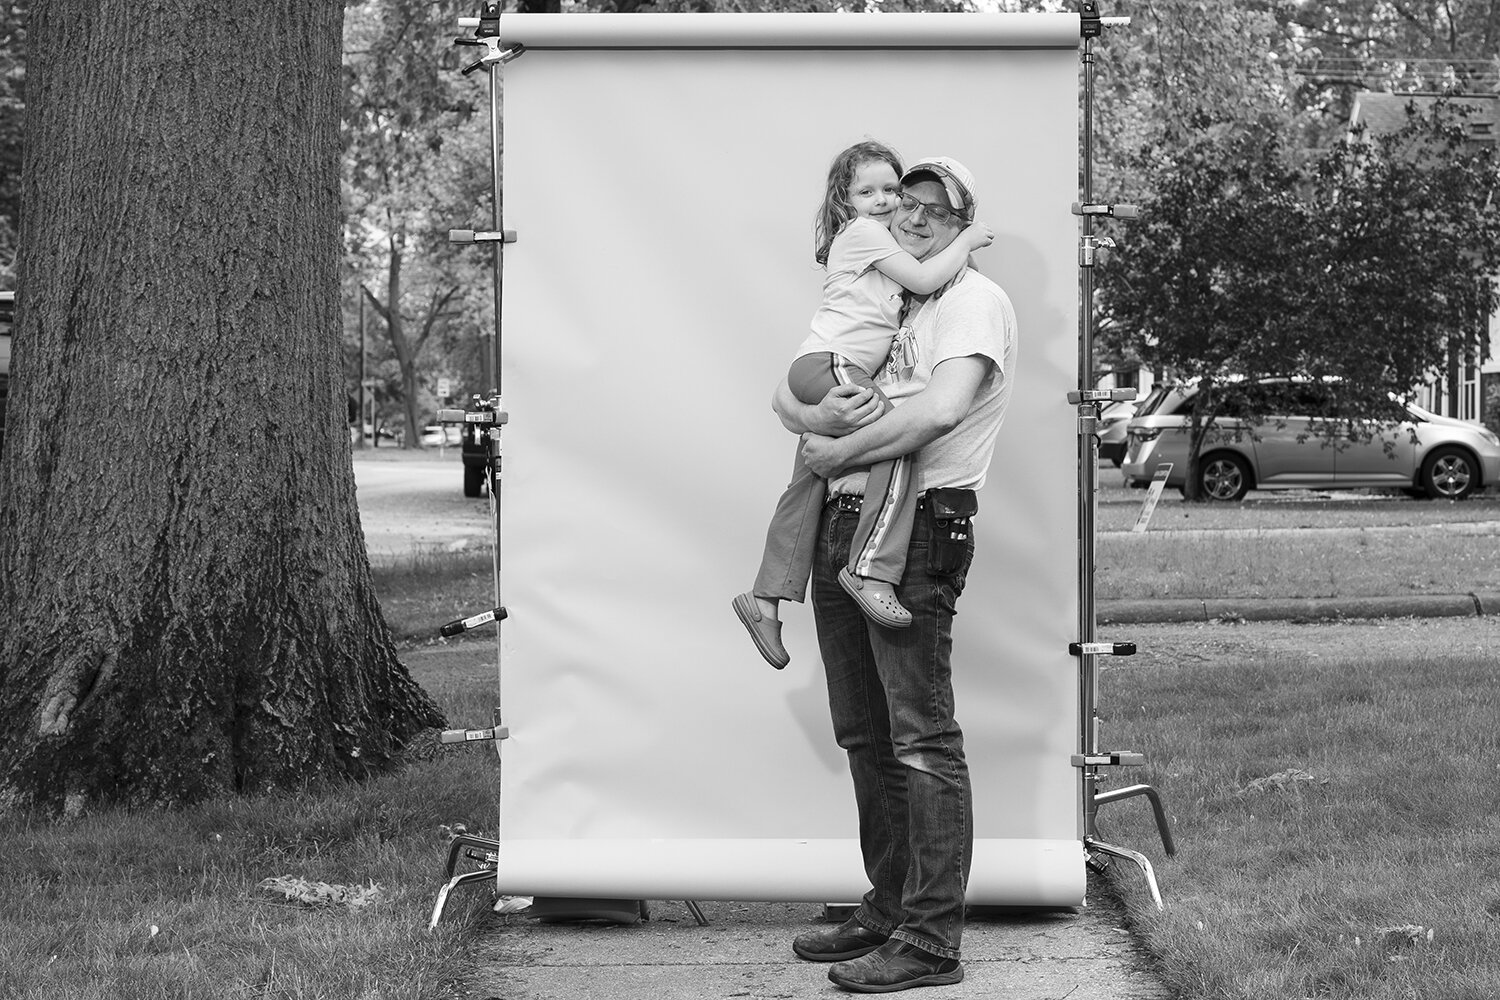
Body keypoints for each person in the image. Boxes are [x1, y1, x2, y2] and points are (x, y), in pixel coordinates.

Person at [773, 156, 1017, 993]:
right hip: (848, 522)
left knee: (919, 734)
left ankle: (931, 941)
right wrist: (810, 418)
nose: (913, 217)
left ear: (963, 218)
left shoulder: (974, 302)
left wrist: (834, 447)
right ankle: (888, 905)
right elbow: (792, 391)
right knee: (865, 732)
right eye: (904, 203)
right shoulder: (899, 293)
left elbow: (940, 409)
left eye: (934, 208)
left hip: (919, 532)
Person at [733, 141, 992, 669]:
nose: (887, 203)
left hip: (822, 367)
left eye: (890, 191)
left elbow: (941, 404)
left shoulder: (962, 297)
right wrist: (965, 241)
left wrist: (818, 427)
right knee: (894, 439)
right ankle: (873, 571)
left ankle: (767, 596)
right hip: (827, 365)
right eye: (867, 192)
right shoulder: (868, 236)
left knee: (808, 477)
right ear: (845, 202)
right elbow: (782, 399)